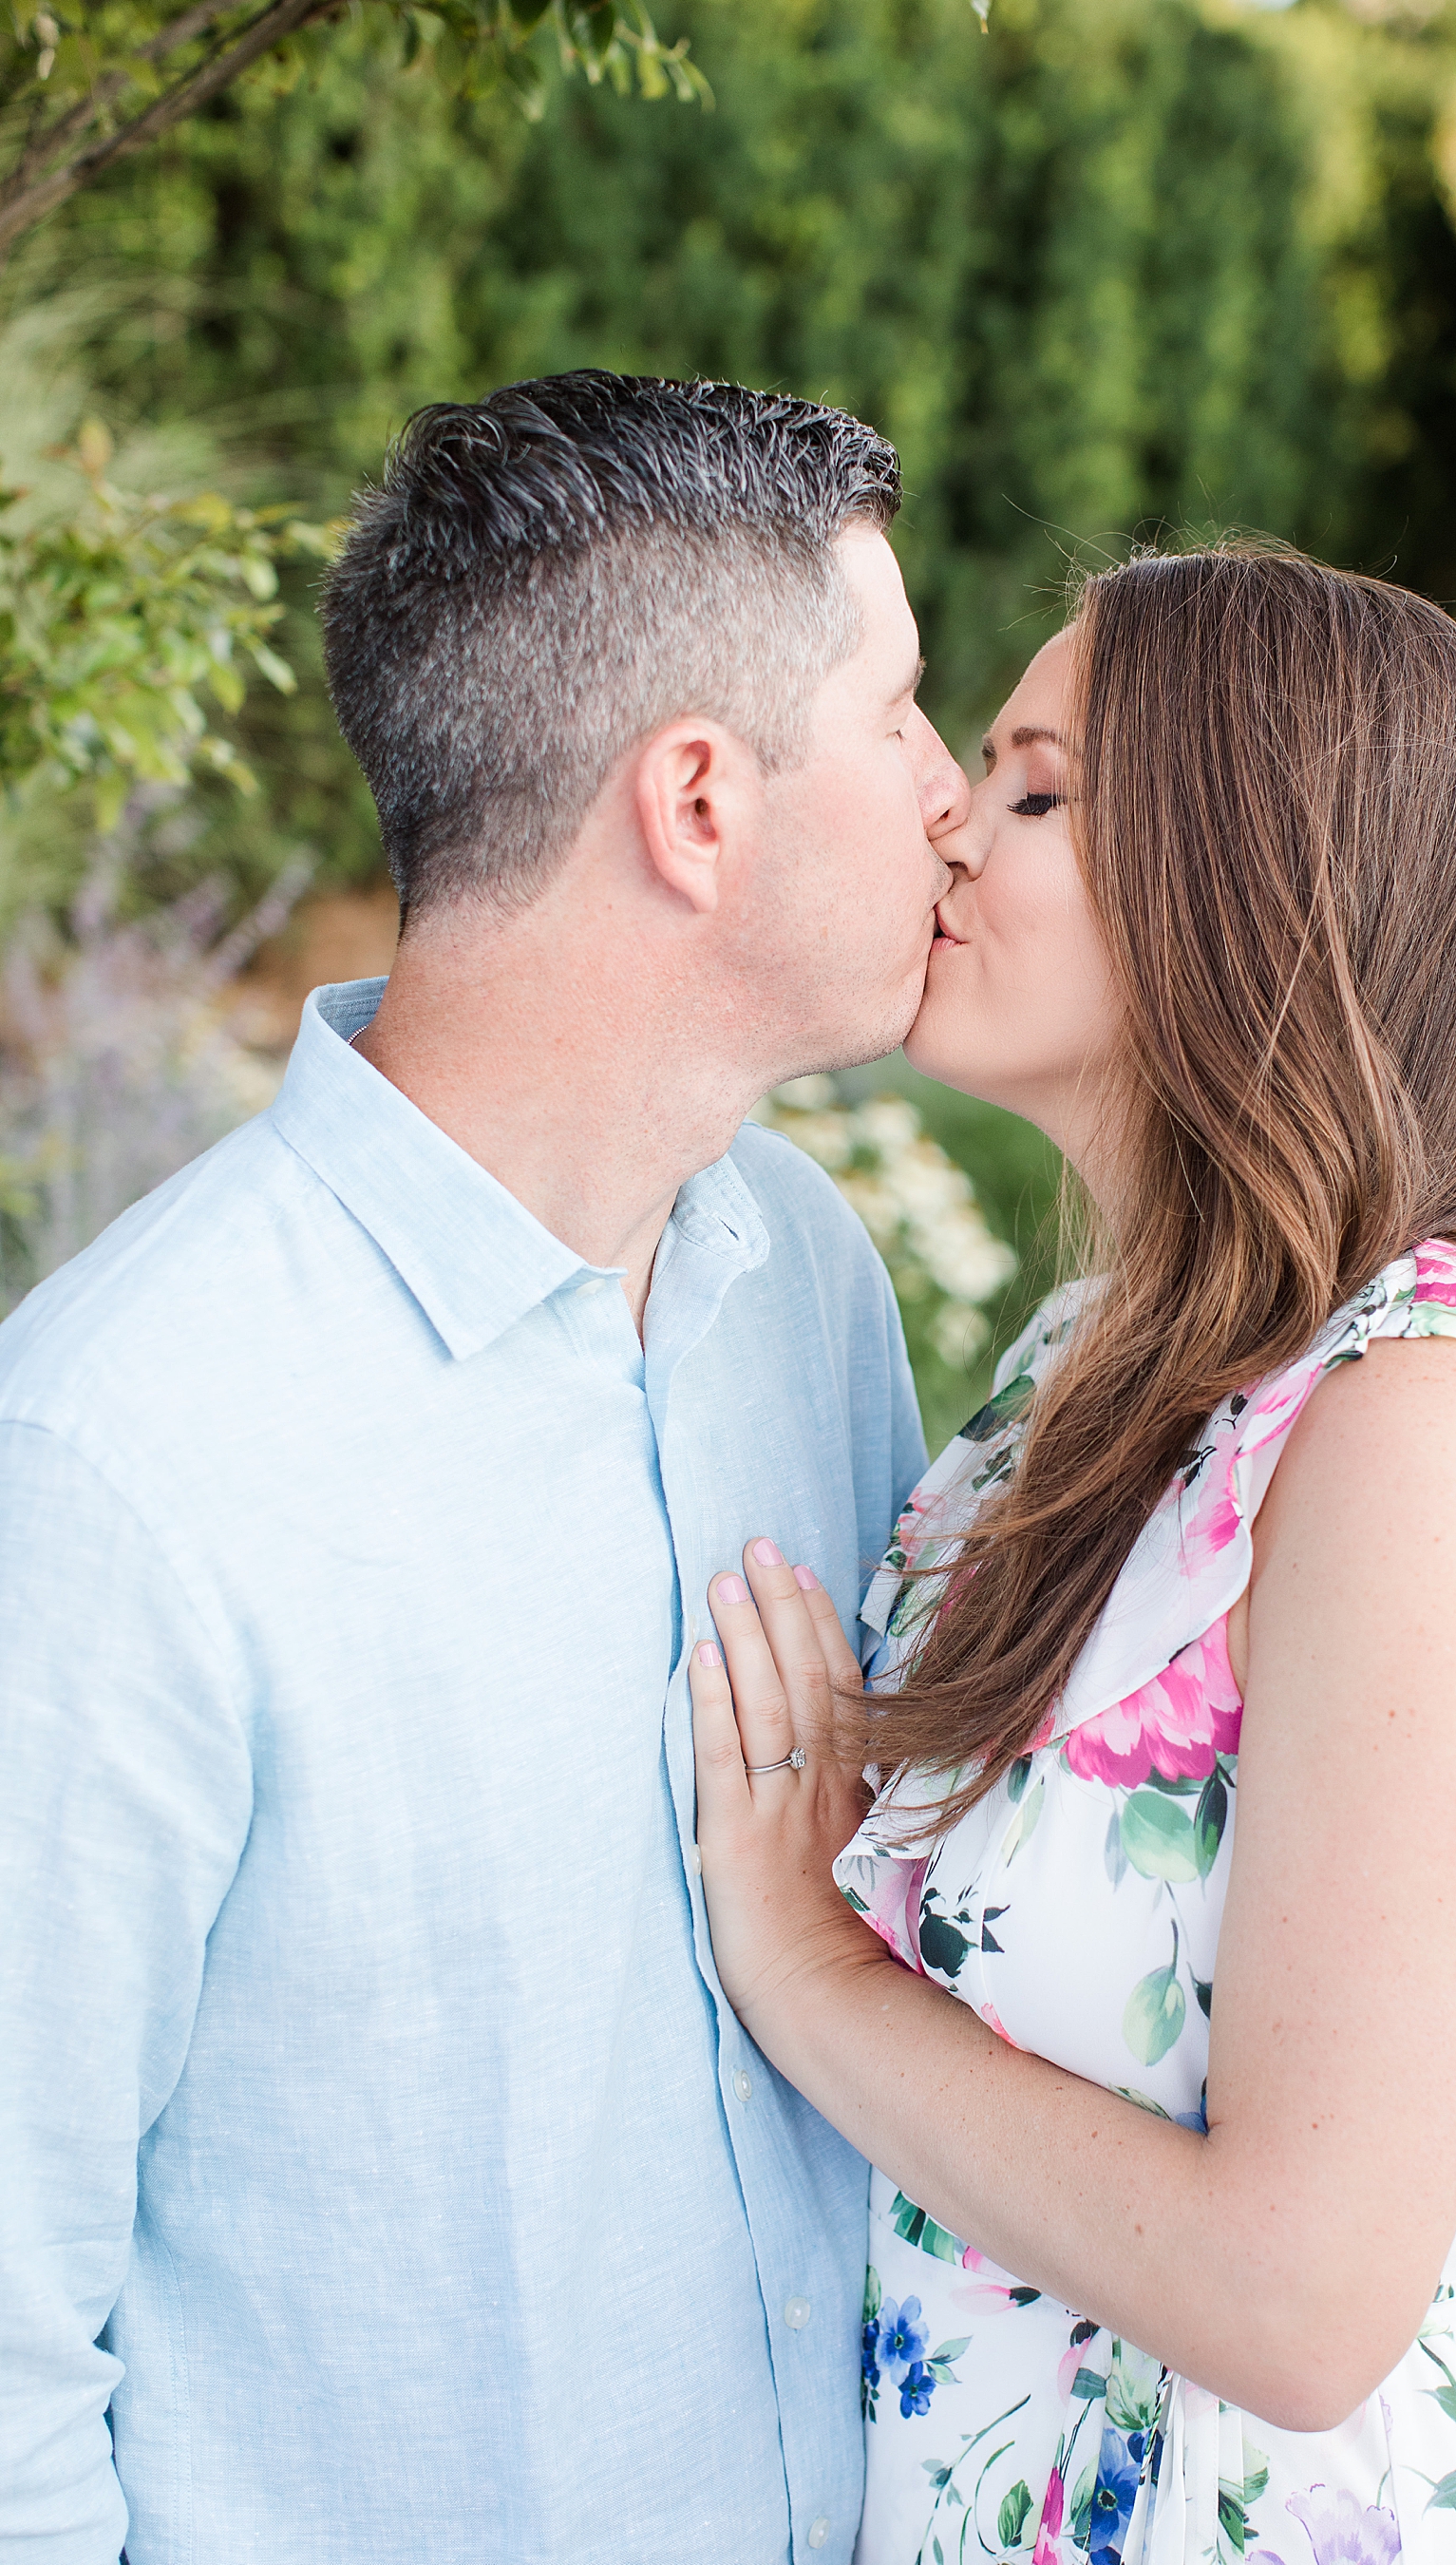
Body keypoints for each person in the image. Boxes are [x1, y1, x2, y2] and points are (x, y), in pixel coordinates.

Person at [0, 372, 970, 2564]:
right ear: (698, 804)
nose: (945, 796)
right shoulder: (113, 1472)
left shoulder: (806, 1279)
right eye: (903, 713)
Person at [689, 544, 1456, 2565]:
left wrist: (801, 1967)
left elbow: (1303, 2306)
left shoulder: (1445, 1430)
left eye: (1040, 790)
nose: (953, 818)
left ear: (1258, 882)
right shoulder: (1099, 1379)